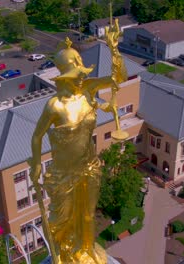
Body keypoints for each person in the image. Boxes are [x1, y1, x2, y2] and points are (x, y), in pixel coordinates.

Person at [29, 19, 127, 264]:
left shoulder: (89, 90)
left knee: (87, 216)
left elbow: (119, 78)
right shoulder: (54, 105)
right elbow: (37, 135)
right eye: (76, 76)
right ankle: (64, 256)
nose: (82, 78)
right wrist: (36, 165)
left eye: (83, 73)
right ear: (63, 78)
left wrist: (114, 49)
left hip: (89, 167)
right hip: (63, 173)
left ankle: (86, 251)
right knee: (60, 222)